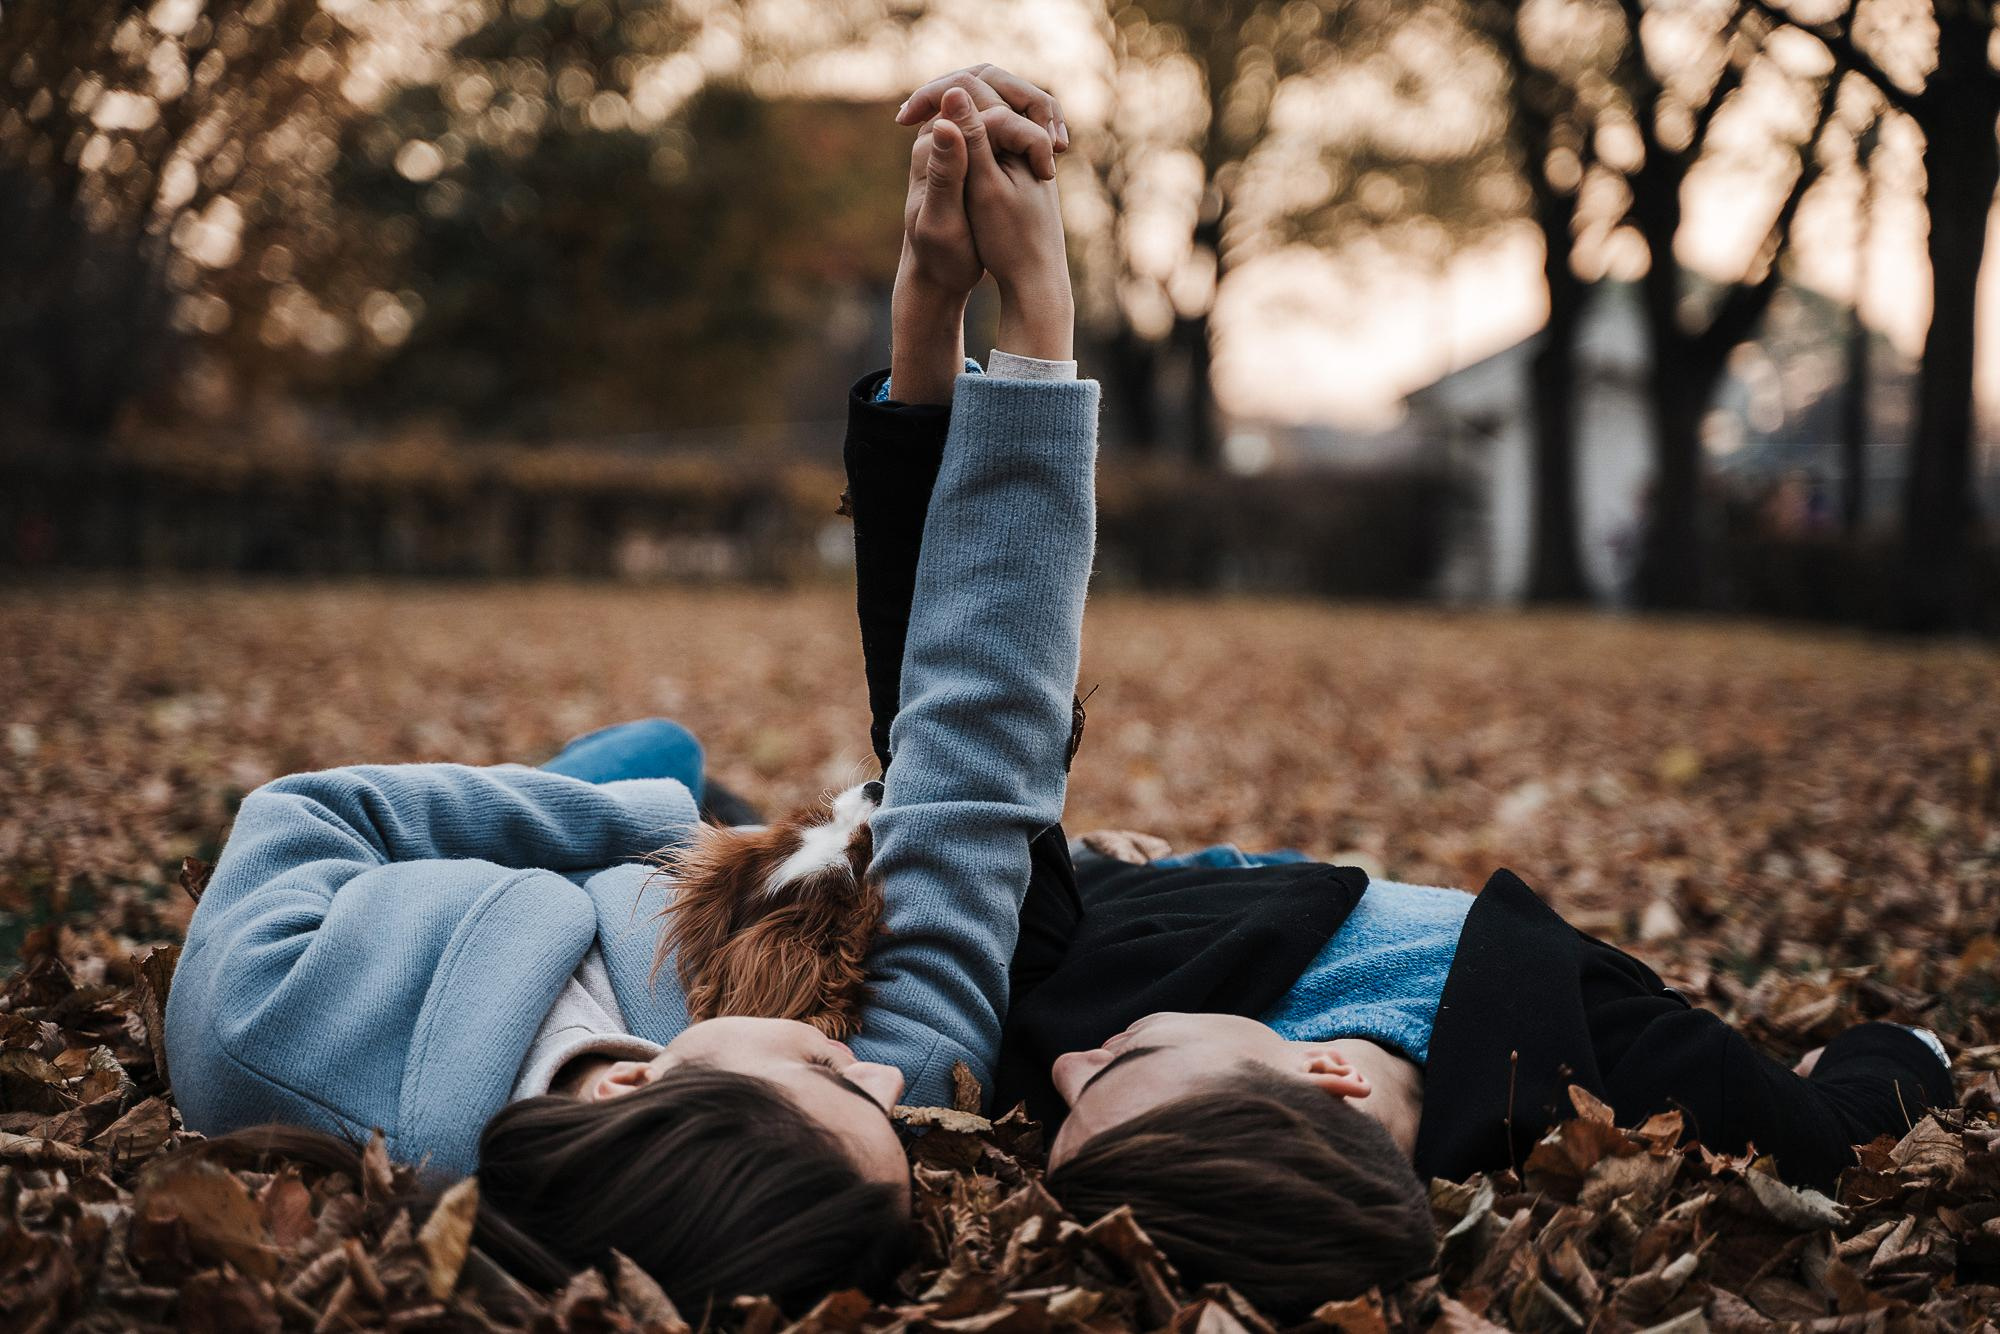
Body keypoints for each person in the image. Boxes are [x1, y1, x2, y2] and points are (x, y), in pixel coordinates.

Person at [882, 63, 1960, 1327]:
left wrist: (930, 319)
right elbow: (1865, 1100)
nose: (1061, 1064)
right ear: (1329, 1074)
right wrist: (1889, 1058)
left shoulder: (1052, 1007)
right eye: (1120, 1065)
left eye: (1069, 1098)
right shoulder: (1628, 1065)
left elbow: (953, 702)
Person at [162, 78, 1098, 1314]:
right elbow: (978, 755)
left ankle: (659, 783)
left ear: (627, 1089)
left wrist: (651, 831)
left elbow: (310, 820)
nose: (900, 1097)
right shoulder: (895, 1073)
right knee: (678, 762)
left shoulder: (272, 1028)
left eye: (840, 1092)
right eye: (894, 1121)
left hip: (572, 833)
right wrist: (989, 308)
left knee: (656, 751)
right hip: (708, 861)